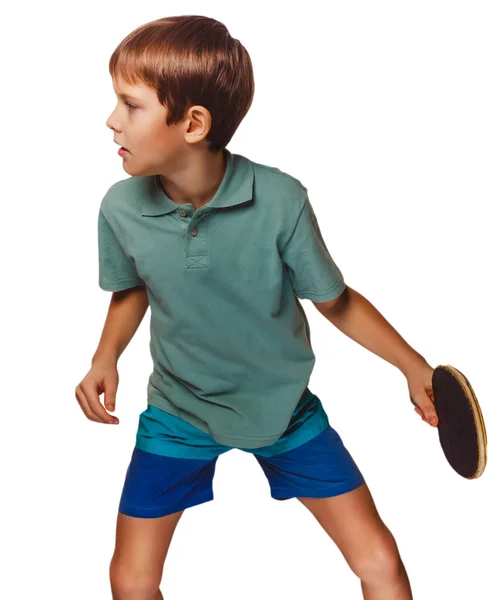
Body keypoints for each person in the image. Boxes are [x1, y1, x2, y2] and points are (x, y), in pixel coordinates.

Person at [75, 14, 439, 600]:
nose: (111, 120)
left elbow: (335, 300)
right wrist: (104, 357)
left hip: (285, 411)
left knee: (380, 562)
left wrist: (413, 366)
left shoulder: (280, 198)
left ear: (192, 123)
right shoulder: (120, 207)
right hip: (179, 412)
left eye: (130, 104)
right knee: (130, 578)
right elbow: (134, 288)